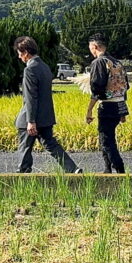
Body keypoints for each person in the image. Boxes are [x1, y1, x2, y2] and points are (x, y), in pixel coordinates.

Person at [13, 36, 80, 173]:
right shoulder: (44, 67)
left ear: (25, 52)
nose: (19, 57)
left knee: (25, 147)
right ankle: (73, 169)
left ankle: (22, 173)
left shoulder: (29, 70)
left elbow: (31, 97)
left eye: (19, 53)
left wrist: (31, 121)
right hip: (46, 116)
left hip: (31, 117)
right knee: (51, 144)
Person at [84, 33, 129, 174]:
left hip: (107, 105)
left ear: (95, 46)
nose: (90, 51)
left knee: (106, 140)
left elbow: (97, 88)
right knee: (108, 137)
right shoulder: (117, 62)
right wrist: (123, 112)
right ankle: (107, 168)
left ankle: (119, 169)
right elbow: (125, 86)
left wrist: (89, 110)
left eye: (90, 47)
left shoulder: (99, 63)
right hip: (119, 104)